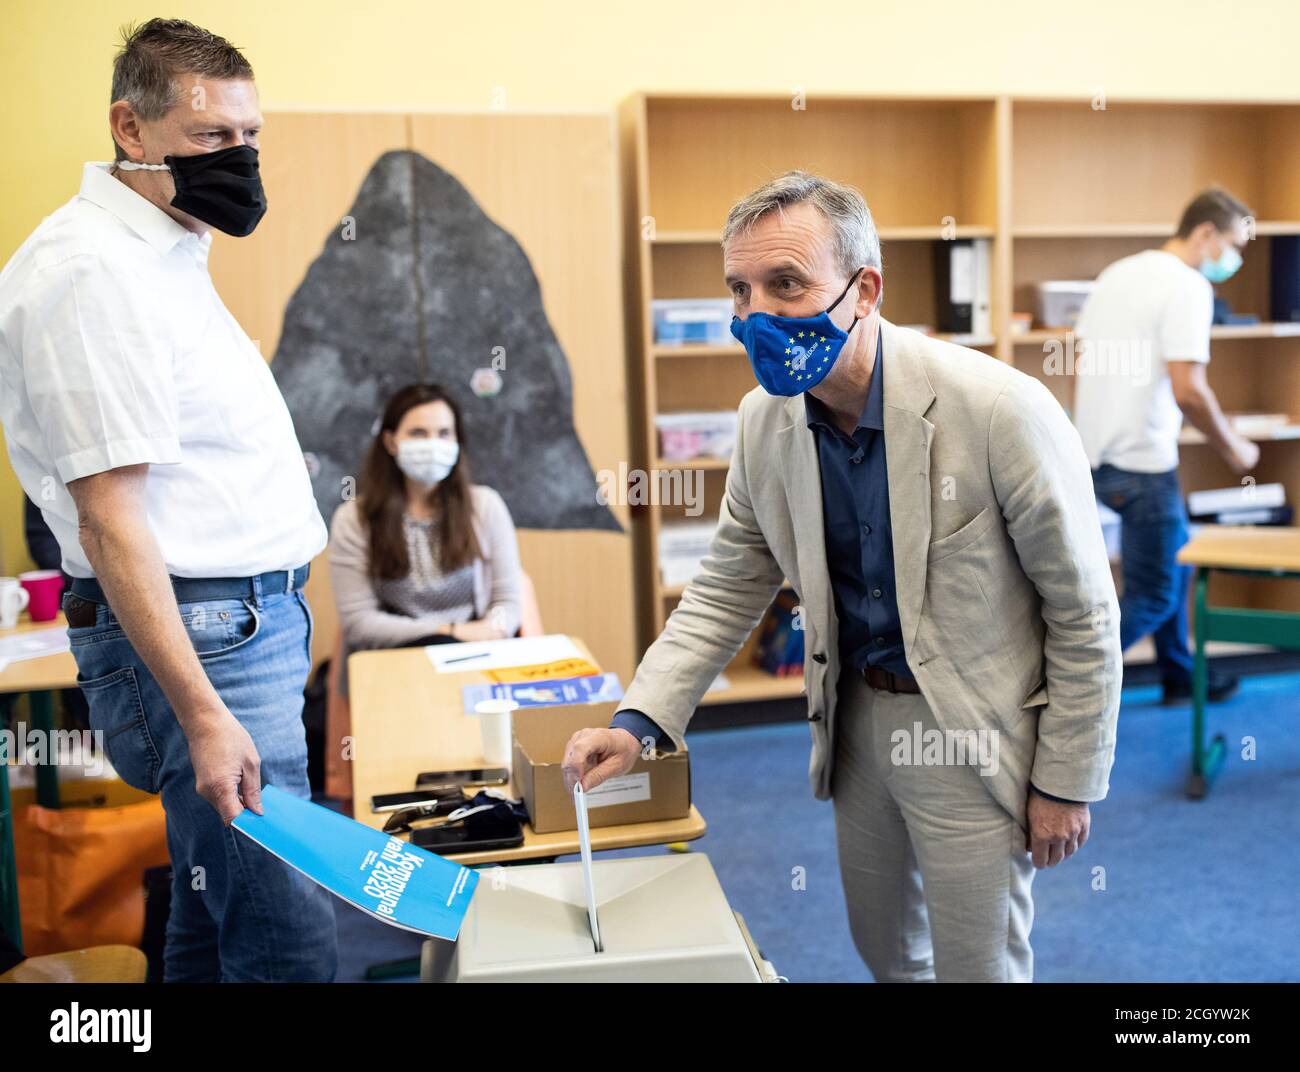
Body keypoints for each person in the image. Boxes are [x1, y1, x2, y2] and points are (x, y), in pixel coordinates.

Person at [562, 171, 1122, 982]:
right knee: (887, 953)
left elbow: (1084, 612)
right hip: (855, 722)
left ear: (865, 290)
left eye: (786, 284)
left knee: (978, 966)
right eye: (740, 290)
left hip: (971, 728)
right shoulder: (763, 423)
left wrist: (1069, 782)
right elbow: (724, 589)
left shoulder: (999, 410)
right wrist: (640, 719)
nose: (757, 315)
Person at [0, 18, 336, 981]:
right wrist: (201, 711)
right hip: (204, 635)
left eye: (248, 137)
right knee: (285, 929)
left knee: (209, 902)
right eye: (210, 139)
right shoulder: (89, 273)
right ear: (131, 129)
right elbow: (110, 516)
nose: (239, 159)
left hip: (239, 618)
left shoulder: (160, 247)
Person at [1073, 188, 1259, 705]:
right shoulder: (1188, 287)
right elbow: (1190, 389)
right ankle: (1063, 688)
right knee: (1154, 594)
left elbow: (1084, 364)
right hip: (1144, 464)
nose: (1235, 259)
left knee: (1175, 561)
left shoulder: (1118, 273)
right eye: (1234, 244)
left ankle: (1180, 676)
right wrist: (1233, 450)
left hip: (1097, 457)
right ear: (1205, 233)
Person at [328, 383, 522, 694]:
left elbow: (508, 602)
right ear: (391, 441)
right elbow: (360, 623)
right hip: (394, 669)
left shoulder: (486, 506)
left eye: (445, 433)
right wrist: (451, 632)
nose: (434, 444)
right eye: (418, 433)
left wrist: (491, 630)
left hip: (477, 661)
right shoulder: (354, 518)